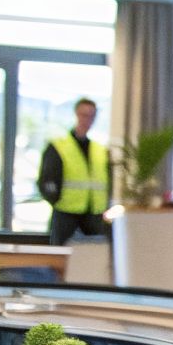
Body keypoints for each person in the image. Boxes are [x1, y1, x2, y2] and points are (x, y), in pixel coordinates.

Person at [38, 97, 110, 245]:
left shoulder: (100, 150)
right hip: (66, 212)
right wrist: (55, 200)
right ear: (76, 114)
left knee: (95, 255)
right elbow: (47, 179)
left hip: (94, 213)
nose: (87, 120)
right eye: (84, 115)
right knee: (61, 255)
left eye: (91, 116)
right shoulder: (59, 146)